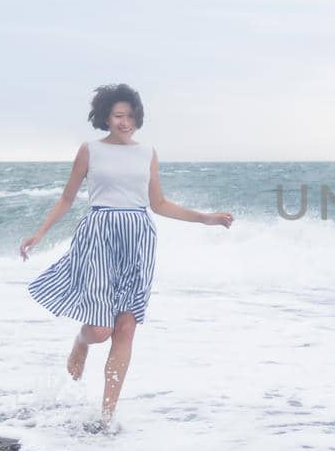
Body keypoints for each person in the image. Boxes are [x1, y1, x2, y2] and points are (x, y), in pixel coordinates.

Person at [21, 83, 232, 429]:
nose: (125, 122)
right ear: (105, 116)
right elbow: (67, 198)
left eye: (130, 116)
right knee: (102, 329)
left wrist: (205, 218)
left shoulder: (147, 152)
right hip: (99, 235)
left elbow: (159, 203)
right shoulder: (90, 150)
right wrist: (40, 233)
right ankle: (81, 342)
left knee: (126, 327)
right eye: (118, 115)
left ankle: (107, 417)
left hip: (138, 239)